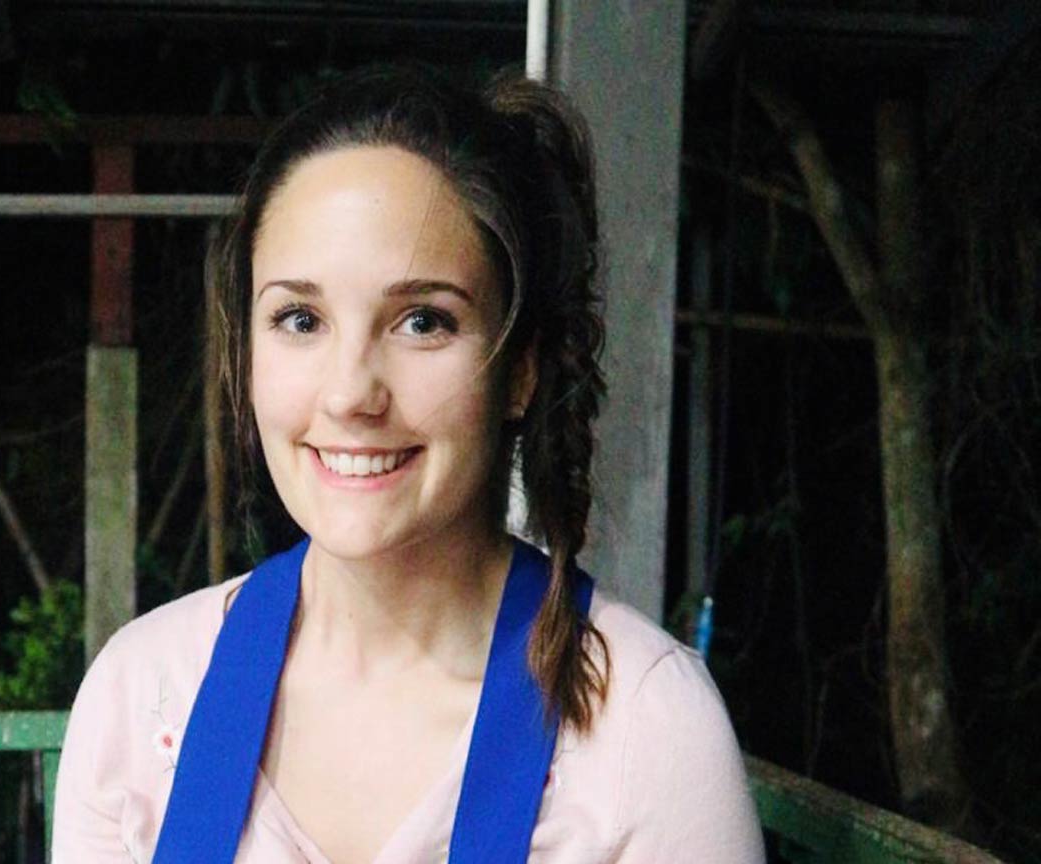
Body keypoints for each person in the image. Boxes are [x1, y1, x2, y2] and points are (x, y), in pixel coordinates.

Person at [53, 65, 765, 863]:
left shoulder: (642, 726)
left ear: (520, 370)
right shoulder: (144, 696)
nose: (351, 393)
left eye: (423, 321)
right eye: (300, 319)